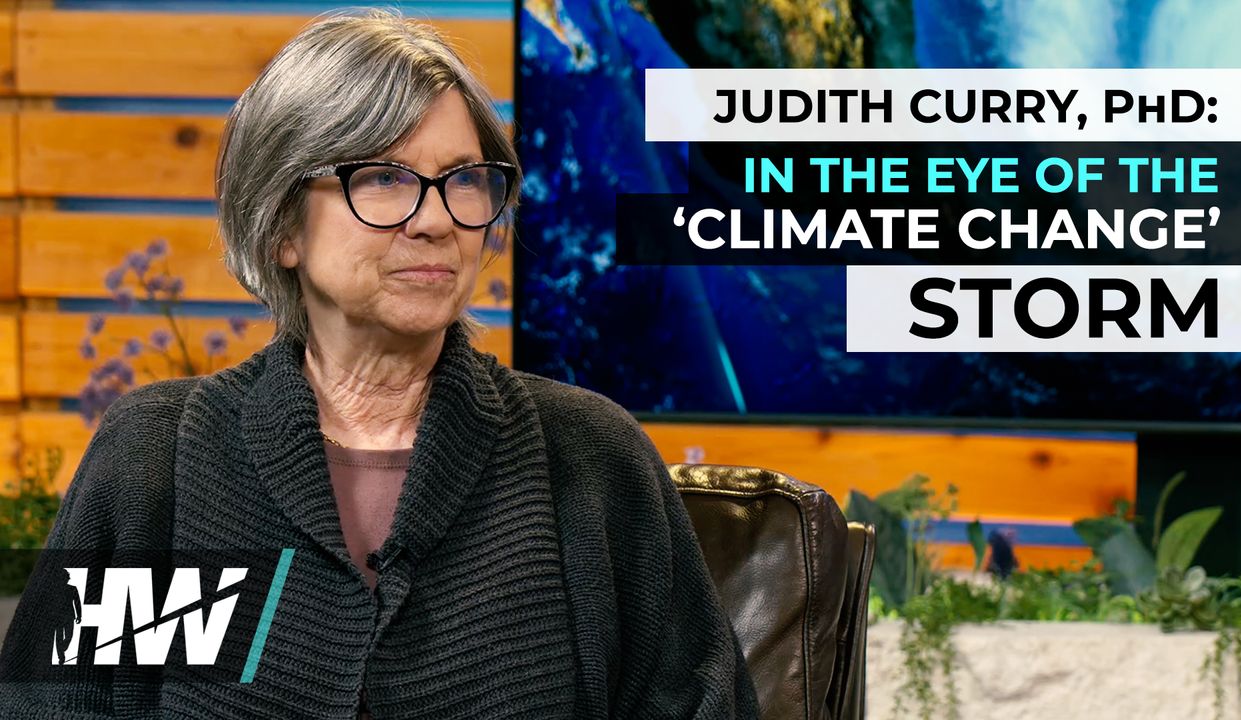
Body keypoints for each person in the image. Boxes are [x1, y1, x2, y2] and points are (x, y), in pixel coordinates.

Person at [0, 8, 758, 719]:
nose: (435, 220)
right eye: (383, 178)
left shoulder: (589, 458)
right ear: (282, 226)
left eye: (464, 180)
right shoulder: (161, 461)